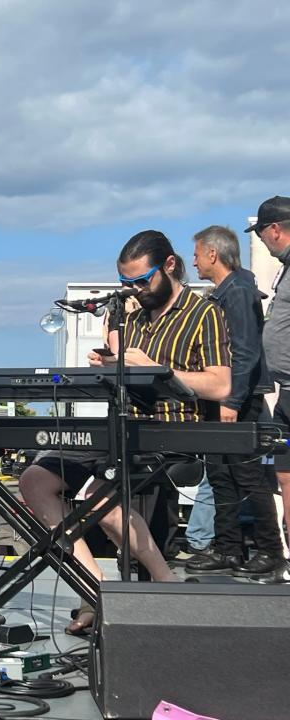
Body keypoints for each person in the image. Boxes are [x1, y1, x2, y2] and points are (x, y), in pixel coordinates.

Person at [19, 230, 231, 634]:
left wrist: (153, 367)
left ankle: (164, 583)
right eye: (126, 283)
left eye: (141, 280)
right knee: (35, 480)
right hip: (117, 429)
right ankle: (94, 591)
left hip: (170, 432)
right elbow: (121, 373)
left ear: (169, 266)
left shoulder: (203, 312)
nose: (135, 290)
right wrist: (108, 362)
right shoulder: (128, 317)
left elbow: (221, 384)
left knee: (101, 491)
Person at [185, 226, 283, 577]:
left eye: (196, 254)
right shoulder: (227, 289)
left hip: (237, 398)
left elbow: (245, 350)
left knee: (247, 475)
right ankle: (228, 549)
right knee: (221, 474)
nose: (193, 261)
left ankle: (270, 551)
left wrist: (232, 399)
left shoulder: (238, 292)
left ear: (213, 254)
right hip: (224, 396)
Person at [248, 196, 290, 582]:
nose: (263, 243)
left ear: (274, 228)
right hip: (286, 393)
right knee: (285, 474)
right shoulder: (285, 268)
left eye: (262, 236)